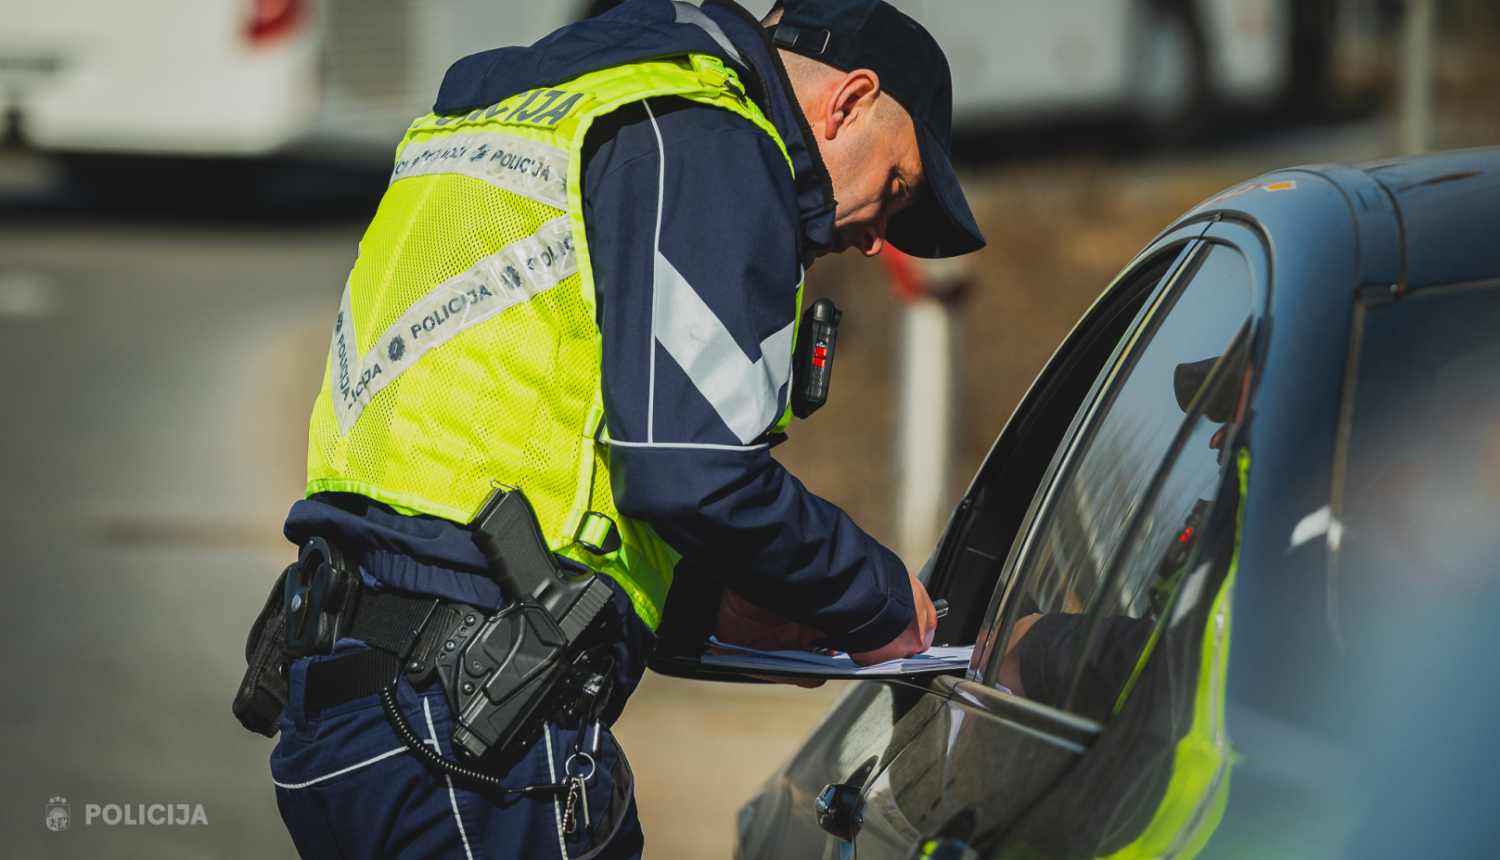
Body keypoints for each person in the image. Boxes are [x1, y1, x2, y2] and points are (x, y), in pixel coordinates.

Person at [265, 1, 984, 858]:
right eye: (896, 187)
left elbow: (531, 433)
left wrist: (708, 603)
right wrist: (873, 599)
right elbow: (692, 472)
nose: (876, 240)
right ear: (850, 101)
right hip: (472, 731)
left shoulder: (542, 107)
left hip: (346, 709)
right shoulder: (712, 138)